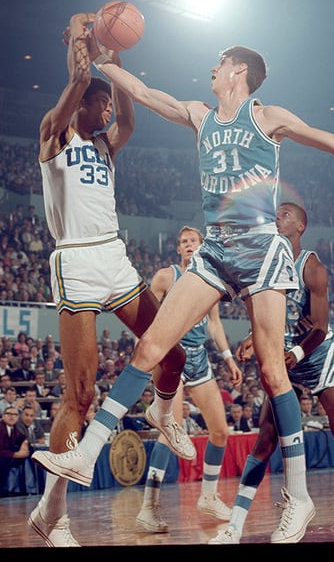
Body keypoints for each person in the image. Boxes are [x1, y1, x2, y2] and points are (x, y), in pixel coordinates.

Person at [35, 42, 334, 544]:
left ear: (237, 70)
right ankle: (88, 452)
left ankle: (298, 496)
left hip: (261, 248)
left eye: (218, 63)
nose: (211, 68)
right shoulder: (201, 115)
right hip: (217, 249)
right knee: (151, 346)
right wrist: (101, 60)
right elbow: (140, 91)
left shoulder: (267, 117)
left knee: (271, 370)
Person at [26, 13, 189, 548]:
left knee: (174, 354)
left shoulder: (105, 145)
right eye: (102, 102)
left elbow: (131, 119)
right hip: (74, 261)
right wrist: (79, 40)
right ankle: (54, 514)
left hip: (114, 259)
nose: (107, 110)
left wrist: (117, 59)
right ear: (85, 105)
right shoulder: (54, 136)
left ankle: (162, 413)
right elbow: (76, 86)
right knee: (81, 395)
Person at [211, 201, 334, 543]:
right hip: (283, 356)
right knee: (265, 439)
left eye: (285, 215)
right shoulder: (267, 265)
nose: (278, 218)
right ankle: (234, 528)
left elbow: (319, 326)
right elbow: (275, 320)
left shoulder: (311, 267)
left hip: (316, 354)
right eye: (276, 215)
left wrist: (296, 353)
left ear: (300, 226)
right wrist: (249, 338)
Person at [137, 225, 243, 533]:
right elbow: (146, 317)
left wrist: (228, 358)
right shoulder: (165, 277)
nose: (188, 245)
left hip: (199, 357)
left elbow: (214, 324)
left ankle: (208, 496)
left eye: (192, 241)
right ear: (178, 249)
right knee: (172, 429)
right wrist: (147, 354)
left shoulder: (210, 280)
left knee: (221, 431)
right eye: (183, 242)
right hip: (172, 354)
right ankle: (149, 507)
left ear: (202, 245)